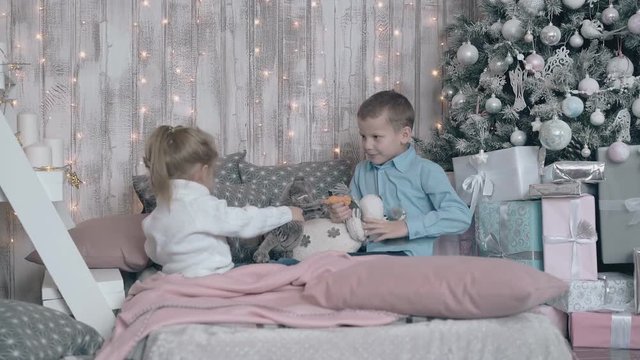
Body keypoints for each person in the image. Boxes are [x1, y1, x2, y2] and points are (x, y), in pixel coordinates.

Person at [141, 125, 304, 277]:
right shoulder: (202, 206)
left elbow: (155, 254)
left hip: (177, 281)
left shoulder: (154, 218)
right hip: (215, 280)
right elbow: (246, 222)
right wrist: (288, 212)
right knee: (289, 266)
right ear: (202, 172)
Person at [328, 90, 472, 256]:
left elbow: (460, 217)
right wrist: (340, 213)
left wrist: (407, 226)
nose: (367, 145)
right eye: (363, 136)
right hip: (366, 255)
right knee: (326, 264)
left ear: (404, 135)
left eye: (376, 137)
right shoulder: (362, 170)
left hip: (407, 257)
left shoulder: (427, 171)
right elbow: (354, 212)